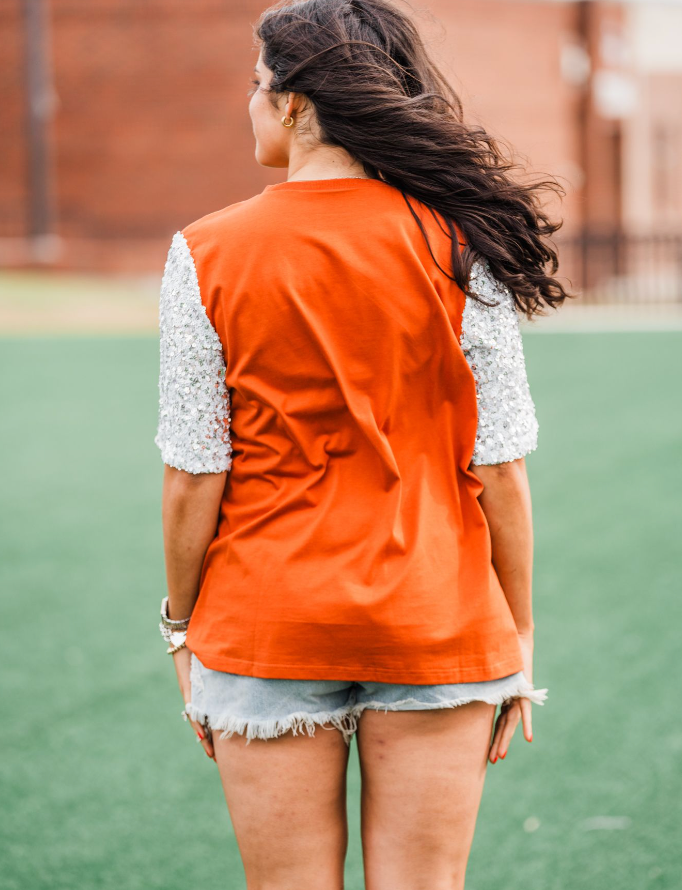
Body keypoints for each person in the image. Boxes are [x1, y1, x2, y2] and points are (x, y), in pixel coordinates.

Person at [154, 1, 570, 887]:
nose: (251, 103)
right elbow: (498, 463)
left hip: (264, 623)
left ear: (297, 103)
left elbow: (196, 471)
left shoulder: (204, 251)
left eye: (258, 85)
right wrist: (520, 629)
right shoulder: (463, 244)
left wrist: (182, 624)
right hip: (439, 621)